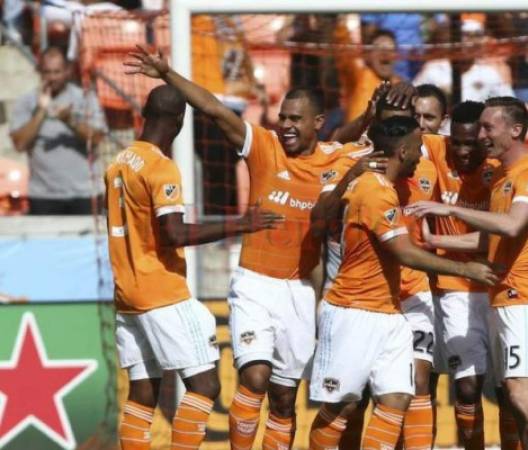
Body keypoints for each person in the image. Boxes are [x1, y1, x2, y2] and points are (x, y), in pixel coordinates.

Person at [124, 45, 385, 450]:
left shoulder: (339, 158)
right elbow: (213, 108)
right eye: (282, 117)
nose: (285, 125)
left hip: (300, 290)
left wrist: (376, 112)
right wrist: (167, 73)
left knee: (284, 399)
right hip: (254, 285)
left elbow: (390, 147)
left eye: (295, 119)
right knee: (254, 377)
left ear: (318, 122)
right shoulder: (264, 147)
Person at [105, 84, 282, 450]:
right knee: (205, 385)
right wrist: (241, 223)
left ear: (145, 114)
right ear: (179, 122)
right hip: (161, 290)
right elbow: (174, 233)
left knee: (143, 389)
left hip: (127, 292)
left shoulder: (119, 161)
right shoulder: (160, 167)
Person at [308, 116, 498, 450]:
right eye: (418, 148)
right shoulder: (373, 191)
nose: (422, 155)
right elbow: (404, 253)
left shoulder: (386, 187)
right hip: (354, 311)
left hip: (390, 311)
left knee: (398, 397)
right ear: (404, 150)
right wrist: (468, 270)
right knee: (344, 405)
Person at [410, 96, 528, 450]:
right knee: (517, 395)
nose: (481, 135)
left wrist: (447, 208)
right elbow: (490, 237)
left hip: (523, 296)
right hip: (502, 295)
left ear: (516, 130)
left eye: (488, 127)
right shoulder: (501, 177)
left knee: (522, 394)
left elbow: (512, 225)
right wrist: (436, 238)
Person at [9, 46, 107, 215]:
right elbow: (19, 143)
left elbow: (97, 137)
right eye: (47, 72)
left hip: (84, 193)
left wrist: (69, 120)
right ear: (39, 71)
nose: (52, 77)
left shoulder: (84, 98)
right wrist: (41, 112)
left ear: (67, 71)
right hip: (43, 196)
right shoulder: (26, 102)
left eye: (57, 72)